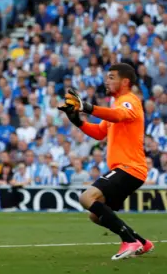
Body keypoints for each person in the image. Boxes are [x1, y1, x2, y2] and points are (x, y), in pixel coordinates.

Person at [58, 63, 154, 260]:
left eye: (111, 77)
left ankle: (129, 241)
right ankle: (142, 243)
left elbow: (120, 115)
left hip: (130, 168)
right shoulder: (116, 105)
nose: (106, 81)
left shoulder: (129, 101)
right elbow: (100, 132)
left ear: (125, 81)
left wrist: (85, 106)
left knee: (86, 198)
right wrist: (76, 119)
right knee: (95, 215)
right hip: (126, 169)